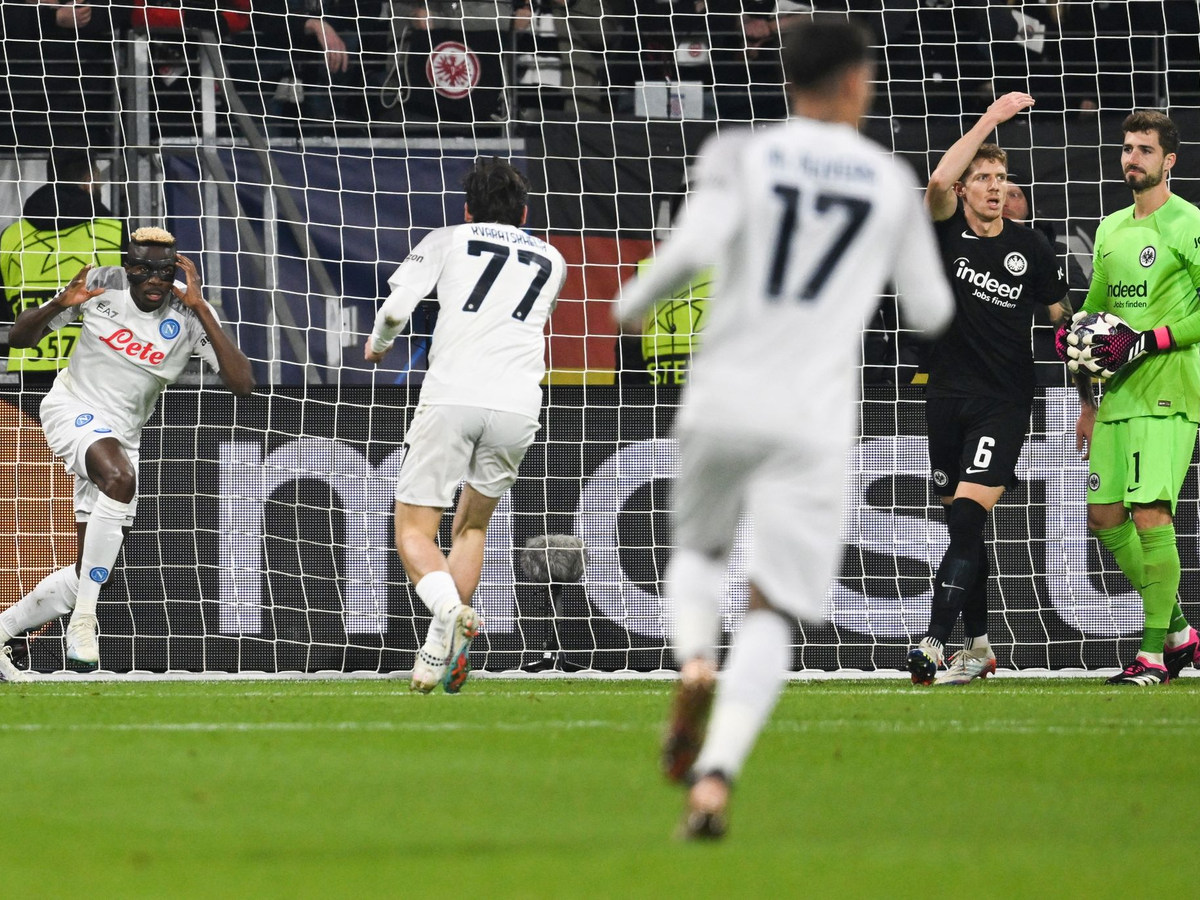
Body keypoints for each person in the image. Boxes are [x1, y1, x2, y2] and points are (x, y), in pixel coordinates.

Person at [617, 19, 953, 839]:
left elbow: (687, 250)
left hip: (722, 396)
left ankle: (695, 659)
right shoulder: (887, 181)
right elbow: (931, 310)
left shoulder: (740, 153)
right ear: (853, 83)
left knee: (698, 553)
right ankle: (716, 779)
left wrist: (630, 306)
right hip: (812, 417)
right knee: (770, 611)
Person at [1, 228, 254, 674]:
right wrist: (60, 304)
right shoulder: (100, 284)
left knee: (91, 570)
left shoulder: (190, 311)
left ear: (175, 270)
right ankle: (84, 621)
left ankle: (4, 630)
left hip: (122, 438)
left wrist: (201, 309)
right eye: (142, 269)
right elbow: (19, 340)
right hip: (71, 407)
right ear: (128, 267)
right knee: (120, 478)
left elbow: (243, 384)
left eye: (164, 271)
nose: (154, 280)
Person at [365, 159, 566, 694]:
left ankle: (450, 611)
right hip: (519, 405)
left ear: (467, 210)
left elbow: (395, 311)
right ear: (524, 214)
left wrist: (379, 345)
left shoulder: (448, 238)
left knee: (413, 531)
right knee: (471, 528)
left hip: (454, 396)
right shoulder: (553, 258)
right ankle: (442, 644)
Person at [905, 93, 1068, 688]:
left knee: (970, 517)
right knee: (962, 529)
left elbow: (1062, 320)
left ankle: (934, 641)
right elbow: (937, 180)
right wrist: (989, 121)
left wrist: (1085, 389)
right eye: (984, 179)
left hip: (1004, 401)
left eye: (1002, 178)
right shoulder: (945, 230)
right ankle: (979, 648)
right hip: (946, 397)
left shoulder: (1031, 246)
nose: (996, 188)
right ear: (965, 190)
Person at [1062, 110, 1200, 686]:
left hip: (1167, 391)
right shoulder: (1111, 228)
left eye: (1144, 149)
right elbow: (1095, 312)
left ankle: (1152, 657)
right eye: (1127, 148)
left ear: (1169, 161)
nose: (1132, 158)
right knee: (1103, 516)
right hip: (1116, 396)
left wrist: (1150, 339)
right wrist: (1079, 359)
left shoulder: (1188, 222)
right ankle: (1181, 633)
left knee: (1150, 515)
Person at [2, 145, 125, 377]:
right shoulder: (117, 232)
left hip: (31, 364)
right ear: (89, 180)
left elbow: (4, 309)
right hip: (98, 365)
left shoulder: (10, 236)